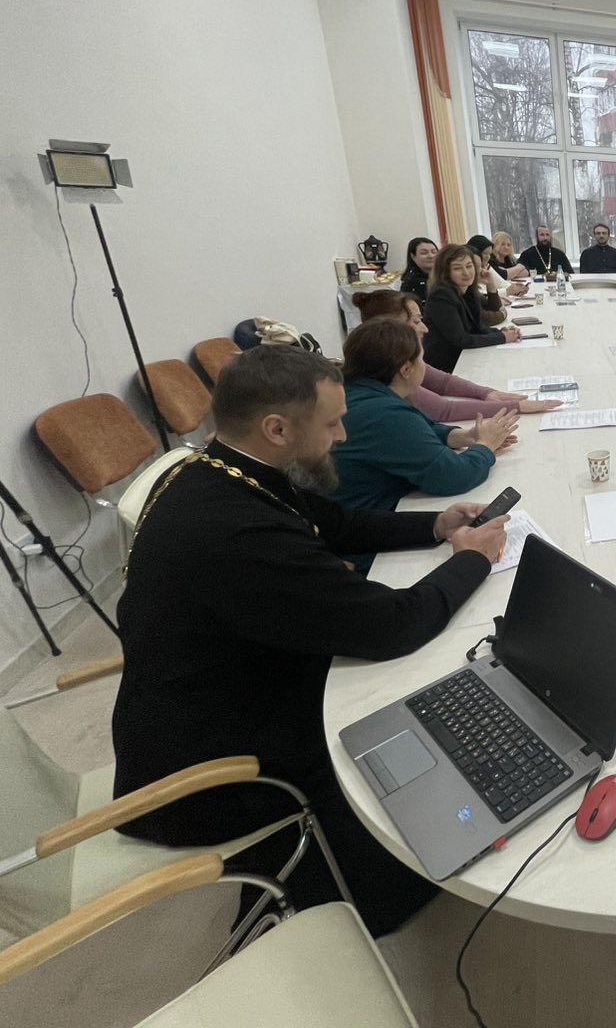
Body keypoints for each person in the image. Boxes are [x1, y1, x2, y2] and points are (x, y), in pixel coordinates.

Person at [111, 346, 508, 937]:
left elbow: (331, 522)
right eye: (331, 424)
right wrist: (472, 560)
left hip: (214, 692)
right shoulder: (236, 534)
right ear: (277, 429)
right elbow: (392, 625)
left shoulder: (220, 467)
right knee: (411, 698)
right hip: (214, 769)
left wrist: (435, 525)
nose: (342, 436)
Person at [333, 319, 512, 532]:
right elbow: (453, 476)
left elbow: (422, 428)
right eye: (422, 359)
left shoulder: (359, 392)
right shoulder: (384, 414)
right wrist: (485, 447)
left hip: (358, 516)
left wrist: (466, 436)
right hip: (369, 531)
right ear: (406, 369)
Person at [354, 290, 559, 418]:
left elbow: (443, 382)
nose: (425, 328)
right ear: (390, 327)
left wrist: (486, 393)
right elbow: (444, 410)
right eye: (416, 322)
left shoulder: (394, 357)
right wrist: (517, 406)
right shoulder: (386, 370)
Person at [423, 242, 518, 372]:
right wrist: (502, 337)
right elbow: (461, 339)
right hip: (447, 366)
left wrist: (502, 332)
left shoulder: (467, 290)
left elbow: (477, 327)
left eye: (469, 266)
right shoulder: (441, 296)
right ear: (445, 272)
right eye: (457, 268)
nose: (466, 273)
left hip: (466, 357)